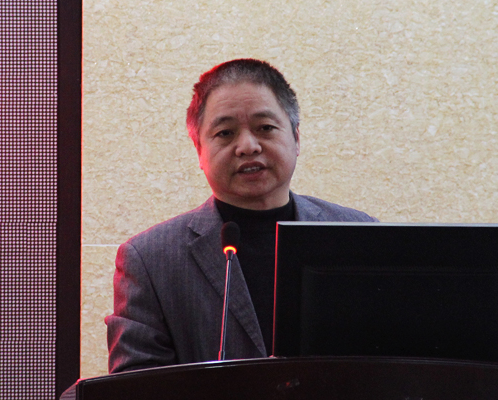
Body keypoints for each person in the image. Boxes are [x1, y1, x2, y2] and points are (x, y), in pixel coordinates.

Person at [105, 59, 377, 373]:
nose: (247, 146)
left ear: (296, 138)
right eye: (225, 133)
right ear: (199, 150)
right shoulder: (151, 259)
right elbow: (135, 385)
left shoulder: (360, 236)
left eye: (265, 128)